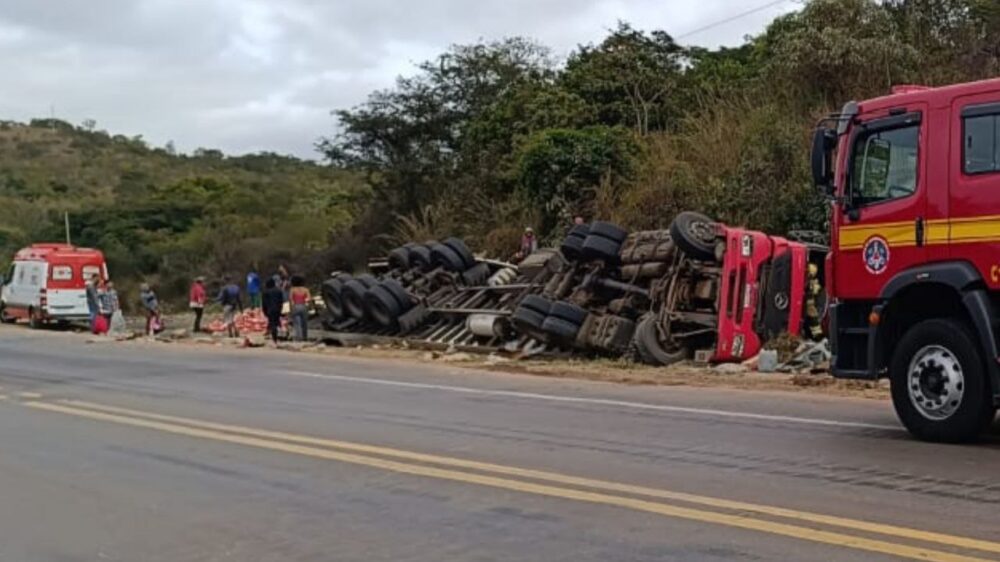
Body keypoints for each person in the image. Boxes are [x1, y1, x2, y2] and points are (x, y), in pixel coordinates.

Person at [288, 275, 311, 341]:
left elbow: (291, 299)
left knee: (297, 323)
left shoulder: (292, 289)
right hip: (303, 306)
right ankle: (305, 337)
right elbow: (309, 298)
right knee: (305, 323)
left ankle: (299, 337)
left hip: (295, 306)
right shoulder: (305, 289)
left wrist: (291, 309)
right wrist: (306, 303)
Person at [262, 278, 284, 345]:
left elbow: (264, 303)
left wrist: (265, 312)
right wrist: (280, 310)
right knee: (276, 322)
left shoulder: (265, 292)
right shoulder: (279, 291)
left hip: (270, 310)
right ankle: (277, 337)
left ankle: (275, 339)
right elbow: (281, 301)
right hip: (277, 309)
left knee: (272, 324)